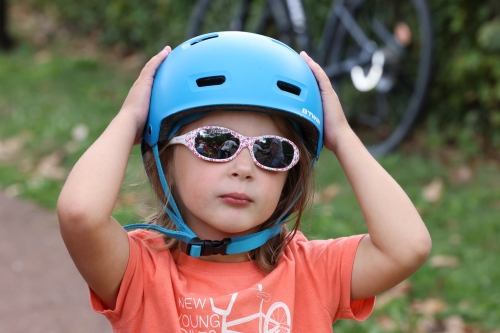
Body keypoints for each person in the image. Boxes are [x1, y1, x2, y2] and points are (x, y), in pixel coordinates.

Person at [57, 32, 431, 332]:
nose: (244, 168)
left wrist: (343, 137)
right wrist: (130, 119)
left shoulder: (311, 273)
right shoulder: (140, 274)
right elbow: (80, 213)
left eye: (272, 152)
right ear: (165, 160)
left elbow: (407, 246)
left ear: (291, 177)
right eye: (216, 144)